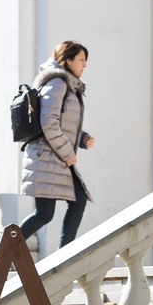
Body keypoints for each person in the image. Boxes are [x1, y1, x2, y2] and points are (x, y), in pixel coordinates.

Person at [19, 41, 97, 252]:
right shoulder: (57, 83)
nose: (85, 65)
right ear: (67, 60)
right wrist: (68, 152)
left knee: (77, 201)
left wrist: (81, 137)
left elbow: (60, 121)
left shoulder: (67, 84)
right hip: (47, 155)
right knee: (45, 213)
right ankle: (4, 246)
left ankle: (64, 255)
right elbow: (49, 123)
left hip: (55, 156)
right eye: (81, 59)